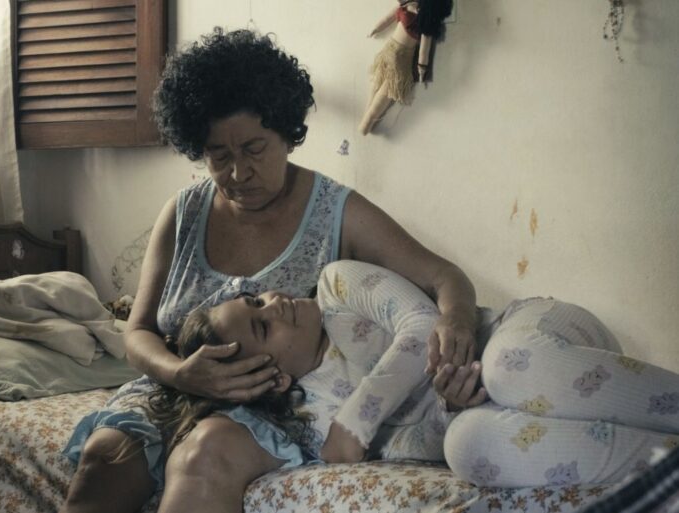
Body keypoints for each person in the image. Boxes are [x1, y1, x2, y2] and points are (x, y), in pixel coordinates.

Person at [60, 28, 479, 513]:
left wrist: (457, 320)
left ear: (286, 134)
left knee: (205, 453)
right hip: (174, 388)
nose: (238, 173)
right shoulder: (183, 213)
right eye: (219, 156)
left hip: (276, 406)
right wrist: (180, 373)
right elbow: (137, 333)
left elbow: (445, 278)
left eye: (254, 149)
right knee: (104, 459)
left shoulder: (336, 212)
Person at [147, 260, 679, 488]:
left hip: (537, 339)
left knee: (504, 368)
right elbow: (412, 443)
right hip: (495, 406)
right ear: (276, 379)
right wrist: (451, 408)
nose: (275, 302)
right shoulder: (317, 417)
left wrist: (357, 421)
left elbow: (423, 323)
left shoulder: (336, 288)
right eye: (263, 326)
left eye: (255, 299)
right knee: (465, 447)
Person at [359, 0, 453, 135]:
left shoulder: (425, 17)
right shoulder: (404, 6)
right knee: (374, 88)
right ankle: (365, 122)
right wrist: (376, 28)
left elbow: (424, 49)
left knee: (382, 96)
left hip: (401, 61)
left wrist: (422, 67)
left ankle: (365, 126)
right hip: (388, 52)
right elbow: (387, 19)